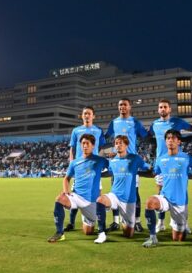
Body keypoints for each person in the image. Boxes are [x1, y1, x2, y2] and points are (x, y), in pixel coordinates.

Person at [142, 129, 192, 248]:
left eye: (173, 138)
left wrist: (190, 176)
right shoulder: (160, 159)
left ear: (179, 141)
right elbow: (153, 173)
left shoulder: (186, 158)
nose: (170, 140)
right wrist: (139, 170)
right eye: (168, 138)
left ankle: (182, 226)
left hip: (180, 201)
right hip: (165, 197)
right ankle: (152, 237)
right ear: (165, 142)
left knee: (178, 238)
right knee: (150, 202)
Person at [47, 134, 108, 242]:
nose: (85, 146)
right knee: (59, 199)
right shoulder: (75, 162)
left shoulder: (100, 160)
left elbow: (113, 170)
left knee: (88, 232)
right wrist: (67, 192)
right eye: (83, 143)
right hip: (76, 196)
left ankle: (93, 220)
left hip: (91, 202)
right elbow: (66, 179)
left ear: (93, 145)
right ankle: (60, 232)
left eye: (87, 143)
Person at [94, 135, 152, 243]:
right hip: (115, 195)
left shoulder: (135, 158)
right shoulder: (112, 161)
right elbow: (109, 172)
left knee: (128, 234)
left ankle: (125, 222)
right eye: (116, 143)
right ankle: (101, 233)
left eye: (121, 143)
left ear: (126, 145)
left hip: (129, 200)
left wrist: (152, 169)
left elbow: (148, 168)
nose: (118, 145)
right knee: (100, 200)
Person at [148, 99, 192, 233]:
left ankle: (185, 222)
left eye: (165, 107)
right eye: (160, 107)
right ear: (158, 110)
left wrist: (186, 141)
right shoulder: (155, 124)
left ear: (169, 109)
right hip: (162, 163)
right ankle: (161, 222)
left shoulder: (177, 122)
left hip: (177, 160)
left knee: (182, 190)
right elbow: (148, 135)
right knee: (160, 192)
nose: (162, 109)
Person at [106, 98, 148, 232]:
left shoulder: (135, 122)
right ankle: (115, 222)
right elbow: (106, 137)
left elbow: (146, 136)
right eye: (120, 105)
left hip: (131, 162)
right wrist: (112, 151)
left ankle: (137, 222)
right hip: (117, 163)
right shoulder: (114, 122)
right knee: (115, 192)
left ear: (130, 107)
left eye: (124, 105)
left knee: (135, 192)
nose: (122, 107)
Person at [65, 106, 106, 232]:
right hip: (80, 168)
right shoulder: (76, 130)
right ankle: (71, 223)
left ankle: (98, 222)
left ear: (93, 116)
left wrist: (100, 161)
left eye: (89, 114)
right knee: (75, 194)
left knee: (97, 195)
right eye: (85, 114)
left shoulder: (98, 130)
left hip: (94, 167)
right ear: (82, 116)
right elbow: (72, 148)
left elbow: (101, 148)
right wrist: (72, 161)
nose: (87, 116)